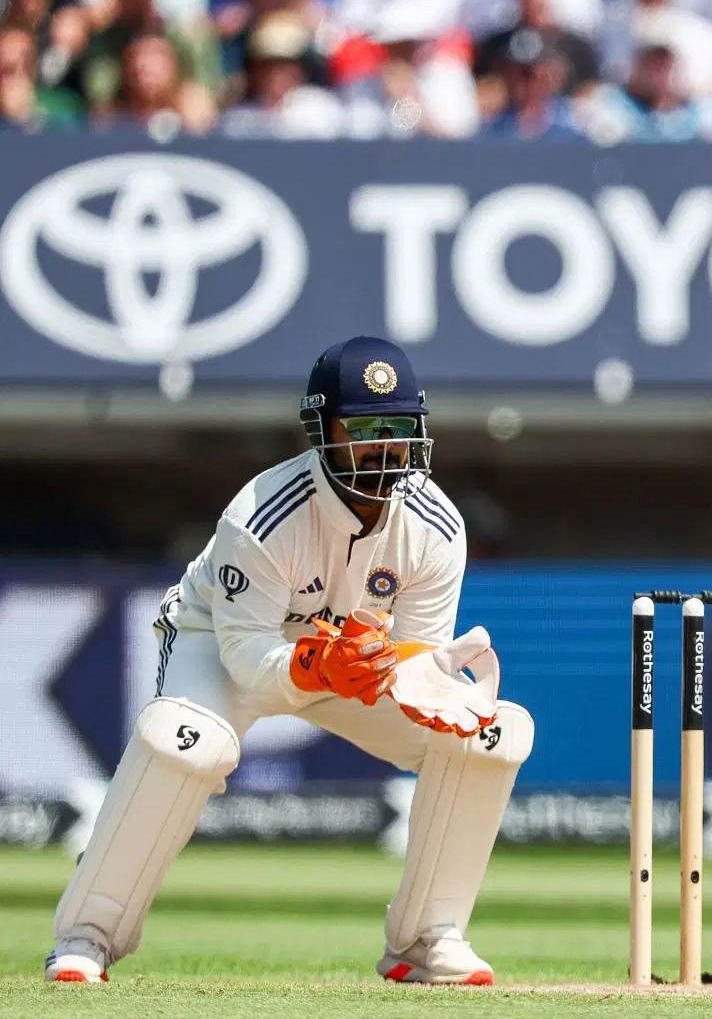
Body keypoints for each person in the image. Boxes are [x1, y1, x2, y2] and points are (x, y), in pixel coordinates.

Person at [45, 338, 535, 984]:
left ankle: (425, 938)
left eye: (398, 429)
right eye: (363, 429)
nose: (383, 447)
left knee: (489, 732)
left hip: (349, 667)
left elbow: (418, 656)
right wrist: (314, 665)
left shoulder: (436, 527)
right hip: (219, 644)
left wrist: (417, 676)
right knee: (185, 743)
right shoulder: (261, 517)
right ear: (321, 431)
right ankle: (87, 936)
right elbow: (246, 653)